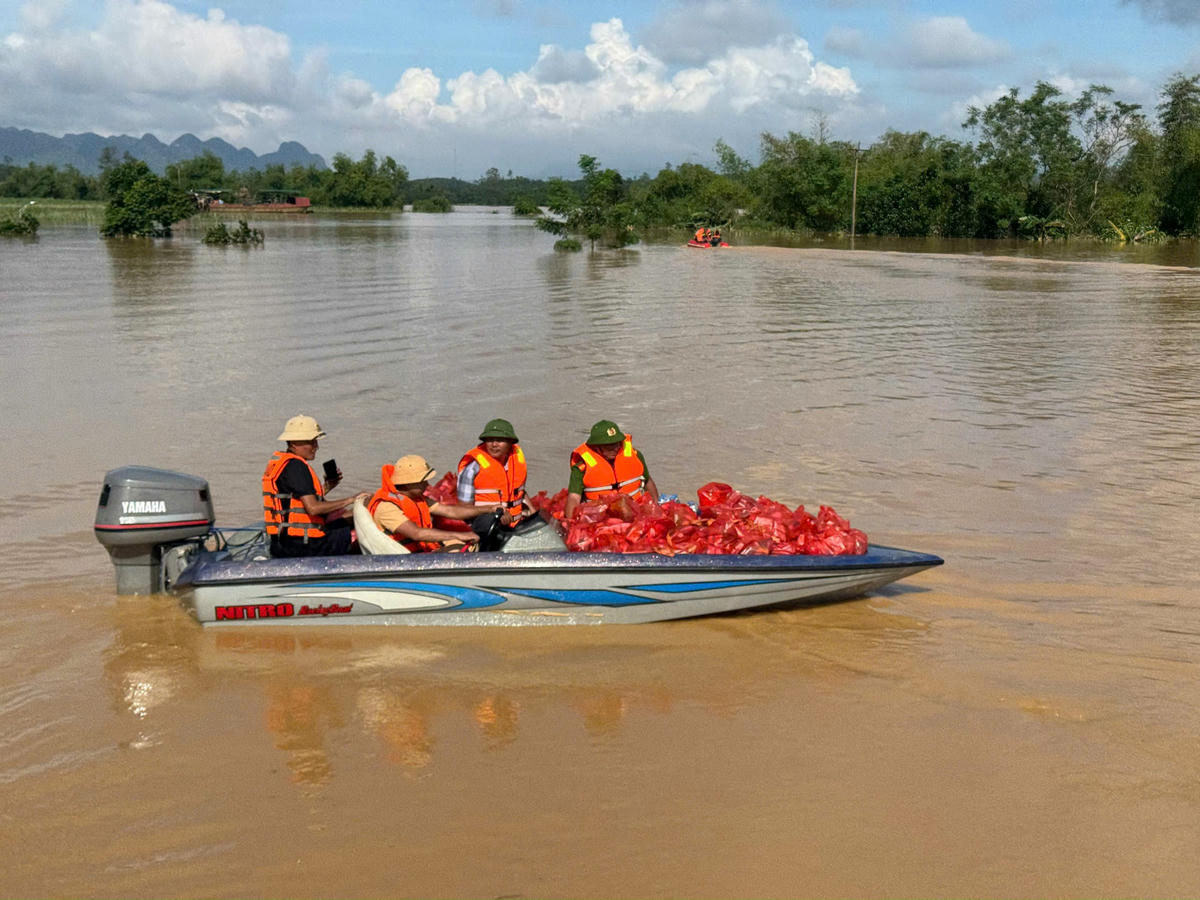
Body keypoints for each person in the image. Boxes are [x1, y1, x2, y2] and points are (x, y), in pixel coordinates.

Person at [262, 414, 366, 557]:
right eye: (311, 442)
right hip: (303, 545)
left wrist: (327, 487)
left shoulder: (283, 463)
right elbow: (313, 508)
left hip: (282, 542)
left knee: (350, 517)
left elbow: (295, 500)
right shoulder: (297, 466)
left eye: (315, 441)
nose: (316, 447)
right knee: (357, 529)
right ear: (294, 443)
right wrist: (351, 500)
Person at [369, 455, 509, 552]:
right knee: (460, 547)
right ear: (407, 484)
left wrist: (488, 509)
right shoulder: (387, 507)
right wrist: (459, 535)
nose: (428, 484)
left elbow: (451, 512)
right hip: (407, 560)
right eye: (422, 481)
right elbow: (417, 534)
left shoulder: (417, 499)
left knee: (467, 545)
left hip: (422, 550)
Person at [563, 420, 659, 520]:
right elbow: (574, 497)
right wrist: (570, 522)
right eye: (609, 447)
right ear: (596, 447)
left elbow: (648, 482)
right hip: (600, 518)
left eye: (617, 444)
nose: (615, 449)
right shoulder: (581, 467)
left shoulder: (636, 456)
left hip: (635, 512)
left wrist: (656, 506)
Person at [456, 418, 528, 520]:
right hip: (485, 527)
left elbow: (519, 491)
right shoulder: (472, 469)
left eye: (500, 440)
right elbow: (463, 510)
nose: (494, 444)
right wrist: (492, 511)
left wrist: (533, 511)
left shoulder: (516, 460)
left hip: (515, 524)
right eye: (490, 440)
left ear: (510, 442)